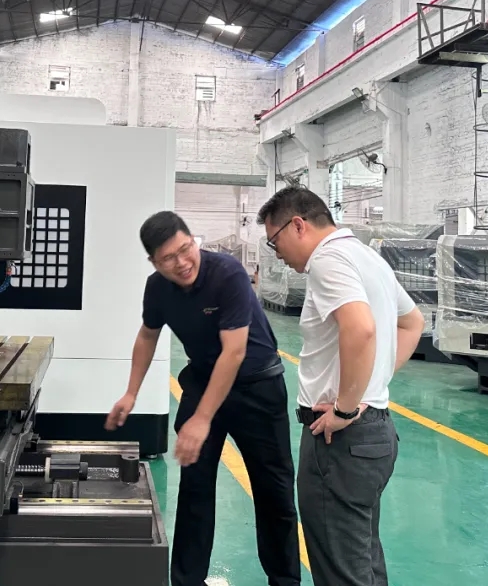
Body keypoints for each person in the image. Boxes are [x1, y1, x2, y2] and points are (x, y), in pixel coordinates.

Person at [106, 211, 300, 586]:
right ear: (153, 263)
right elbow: (147, 335)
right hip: (203, 377)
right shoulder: (157, 288)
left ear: (193, 240)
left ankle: (284, 581)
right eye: (168, 258)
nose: (182, 263)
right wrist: (131, 393)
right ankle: (187, 581)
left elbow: (234, 353)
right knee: (195, 489)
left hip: (257, 387)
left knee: (273, 491)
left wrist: (202, 418)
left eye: (185, 249)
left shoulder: (227, 274)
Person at [257, 188, 424, 586]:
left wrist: (347, 406)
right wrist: (370, 385)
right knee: (362, 561)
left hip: (340, 440)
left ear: (298, 225)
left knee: (341, 570)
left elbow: (360, 328)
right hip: (374, 434)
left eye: (274, 241)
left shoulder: (328, 260)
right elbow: (412, 322)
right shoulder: (367, 257)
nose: (277, 254)